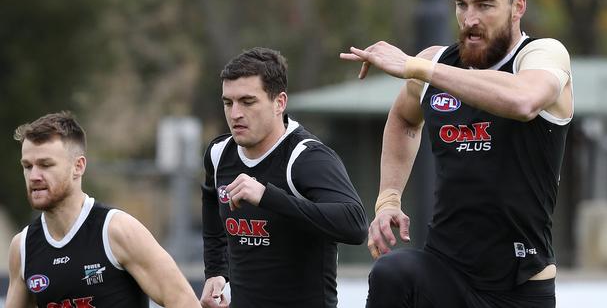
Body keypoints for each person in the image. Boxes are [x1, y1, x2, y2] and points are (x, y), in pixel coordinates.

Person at [340, 0, 572, 307]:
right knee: (392, 272)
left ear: (518, 7)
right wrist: (387, 199)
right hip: (446, 271)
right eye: (461, 5)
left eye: (484, 5)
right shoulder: (437, 63)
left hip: (519, 287)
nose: (470, 19)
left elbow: (523, 101)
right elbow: (403, 119)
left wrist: (419, 68)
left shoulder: (541, 55)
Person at [200, 47, 368, 308]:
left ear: (279, 103)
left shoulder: (306, 157)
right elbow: (212, 201)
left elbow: (355, 225)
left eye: (247, 101)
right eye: (227, 102)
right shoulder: (219, 154)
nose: (235, 114)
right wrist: (215, 271)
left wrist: (268, 196)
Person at [5, 111, 201, 308]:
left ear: (78, 166)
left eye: (45, 165)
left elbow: (184, 300)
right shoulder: (23, 247)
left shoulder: (117, 230)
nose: (33, 176)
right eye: (27, 166)